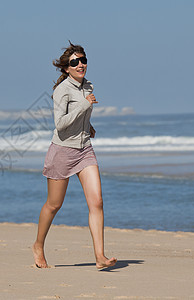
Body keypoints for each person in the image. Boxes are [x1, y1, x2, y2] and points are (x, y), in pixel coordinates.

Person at [32, 41, 117, 270]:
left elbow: (80, 114)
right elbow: (60, 124)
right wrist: (83, 107)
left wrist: (88, 126)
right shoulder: (61, 91)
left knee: (97, 202)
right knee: (54, 204)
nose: (80, 64)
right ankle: (38, 245)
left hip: (85, 149)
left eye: (83, 60)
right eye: (74, 62)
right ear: (66, 68)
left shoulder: (88, 86)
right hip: (62, 151)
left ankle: (100, 256)